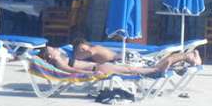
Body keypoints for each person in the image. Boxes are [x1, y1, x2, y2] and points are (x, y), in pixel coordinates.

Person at [40, 45, 200, 76]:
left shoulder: (61, 58)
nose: (54, 48)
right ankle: (184, 57)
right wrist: (91, 74)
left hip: (98, 67)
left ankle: (184, 58)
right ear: (50, 56)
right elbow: (73, 71)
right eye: (51, 49)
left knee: (132, 69)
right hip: (97, 69)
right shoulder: (59, 62)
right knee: (132, 70)